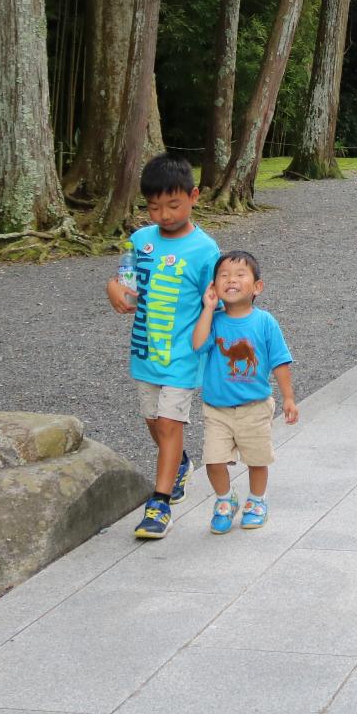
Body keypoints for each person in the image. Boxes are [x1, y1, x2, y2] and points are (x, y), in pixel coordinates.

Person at [105, 154, 221, 540]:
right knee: (154, 422)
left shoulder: (205, 250)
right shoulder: (139, 241)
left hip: (183, 356)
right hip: (144, 353)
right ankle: (181, 464)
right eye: (154, 207)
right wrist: (115, 291)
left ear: (193, 197)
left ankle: (160, 503)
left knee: (170, 424)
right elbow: (123, 281)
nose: (164, 215)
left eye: (173, 205)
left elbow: (216, 301)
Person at [190, 250, 298, 533]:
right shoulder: (214, 321)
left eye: (240, 275)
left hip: (255, 406)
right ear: (214, 286)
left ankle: (257, 500)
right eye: (223, 276)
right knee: (213, 460)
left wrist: (288, 397)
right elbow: (198, 345)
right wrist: (208, 309)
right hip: (217, 409)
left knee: (257, 458)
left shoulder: (265, 322)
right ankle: (225, 500)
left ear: (257, 287)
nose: (231, 280)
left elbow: (280, 360)